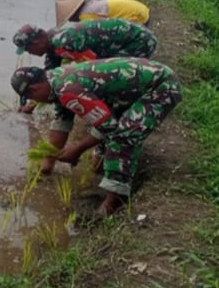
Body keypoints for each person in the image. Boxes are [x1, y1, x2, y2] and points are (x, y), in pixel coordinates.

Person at [10, 59, 182, 216]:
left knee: (122, 136)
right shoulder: (55, 79)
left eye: (32, 98)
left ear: (34, 89)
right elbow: (62, 122)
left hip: (161, 86)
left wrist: (77, 150)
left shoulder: (68, 90)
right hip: (131, 90)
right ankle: (104, 176)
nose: (35, 101)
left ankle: (115, 200)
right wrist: (48, 162)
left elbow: (108, 127)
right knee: (103, 142)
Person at [13, 20, 157, 72]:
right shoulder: (52, 43)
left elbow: (93, 67)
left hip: (139, 41)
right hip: (123, 42)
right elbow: (51, 73)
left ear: (37, 42)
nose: (29, 53)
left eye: (27, 49)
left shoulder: (65, 42)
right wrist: (33, 100)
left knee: (114, 73)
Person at [55, 0, 150, 27]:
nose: (71, 22)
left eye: (70, 18)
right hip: (141, 9)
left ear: (74, 14)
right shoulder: (91, 5)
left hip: (137, 16)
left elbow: (94, 33)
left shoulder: (85, 16)